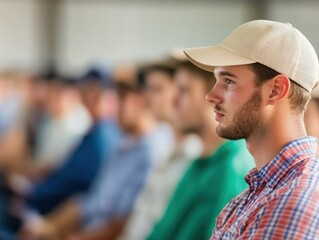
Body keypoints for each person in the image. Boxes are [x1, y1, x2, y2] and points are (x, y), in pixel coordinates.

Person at [184, 20, 319, 239]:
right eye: (216, 79)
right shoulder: (257, 195)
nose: (211, 95)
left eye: (228, 81)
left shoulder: (293, 202)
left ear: (275, 90)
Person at [20, 68, 175, 240]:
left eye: (123, 98)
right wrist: (49, 227)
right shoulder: (120, 144)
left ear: (142, 101)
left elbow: (121, 222)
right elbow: (90, 202)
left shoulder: (151, 152)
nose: (117, 107)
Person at [146, 59, 254, 240]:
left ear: (213, 97)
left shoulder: (232, 168)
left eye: (184, 91)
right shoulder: (198, 164)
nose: (173, 101)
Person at [118, 62, 202, 240]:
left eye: (157, 90)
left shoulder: (194, 154)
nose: (147, 98)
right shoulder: (164, 143)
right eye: (148, 89)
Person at [25, 69, 122, 216]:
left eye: (96, 93)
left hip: (69, 211)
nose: (88, 98)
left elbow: (76, 180)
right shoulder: (95, 130)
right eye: (86, 92)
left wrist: (37, 193)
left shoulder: (102, 134)